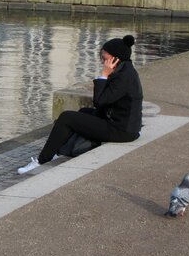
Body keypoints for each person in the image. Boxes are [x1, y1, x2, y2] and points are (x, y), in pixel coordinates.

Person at [18, 34, 143, 174]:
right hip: (123, 125)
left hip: (122, 131)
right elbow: (103, 105)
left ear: (115, 58)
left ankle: (42, 160)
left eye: (104, 58)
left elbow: (100, 101)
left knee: (67, 118)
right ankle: (59, 151)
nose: (102, 61)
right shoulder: (125, 71)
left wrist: (103, 75)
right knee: (84, 112)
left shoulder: (122, 78)